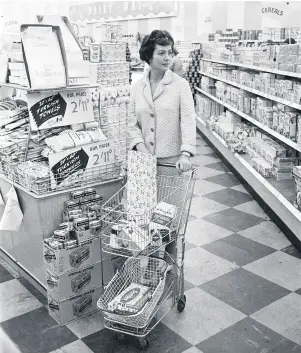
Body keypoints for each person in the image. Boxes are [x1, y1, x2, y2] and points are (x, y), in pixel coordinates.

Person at [128, 29, 196, 172]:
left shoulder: (180, 85)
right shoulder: (137, 88)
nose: (167, 58)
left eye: (169, 52)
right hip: (143, 160)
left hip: (172, 162)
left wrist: (185, 154)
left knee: (170, 195)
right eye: (161, 53)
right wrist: (141, 148)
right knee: (144, 196)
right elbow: (131, 123)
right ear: (149, 57)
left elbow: (188, 121)